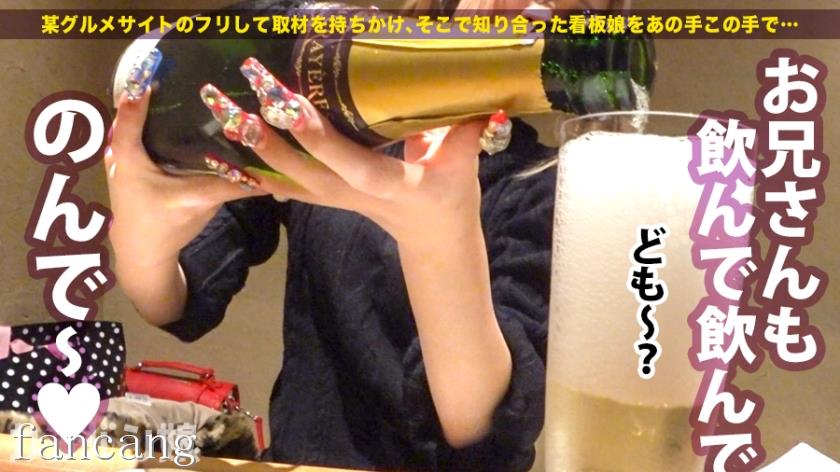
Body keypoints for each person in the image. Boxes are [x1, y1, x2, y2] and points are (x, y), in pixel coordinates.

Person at [105, 0, 567, 469]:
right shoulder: (330, 103)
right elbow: (171, 300)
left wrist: (438, 244)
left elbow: (482, 433)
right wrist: (142, 242)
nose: (541, 8)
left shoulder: (549, 184)